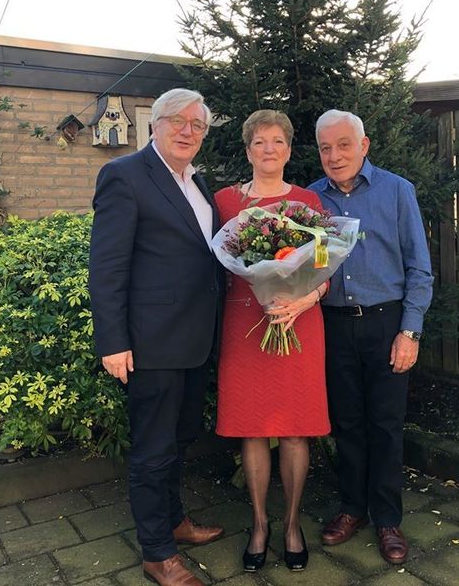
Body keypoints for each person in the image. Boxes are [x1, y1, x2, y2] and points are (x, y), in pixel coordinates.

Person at [89, 88, 225, 586]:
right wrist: (112, 341)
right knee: (152, 450)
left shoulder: (197, 182)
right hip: (151, 343)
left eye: (198, 125)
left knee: (180, 439)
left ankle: (173, 521)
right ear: (155, 124)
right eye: (178, 121)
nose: (189, 131)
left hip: (195, 340)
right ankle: (157, 554)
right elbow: (107, 267)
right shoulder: (124, 175)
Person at [309, 109, 433, 565]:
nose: (335, 156)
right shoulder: (311, 200)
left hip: (386, 322)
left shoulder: (397, 191)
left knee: (385, 425)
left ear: (364, 145)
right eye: (326, 148)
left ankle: (387, 519)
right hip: (333, 325)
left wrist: (409, 331)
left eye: (344, 145)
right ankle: (352, 508)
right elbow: (310, 264)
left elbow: (419, 268)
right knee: (346, 423)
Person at [215, 110, 330, 573]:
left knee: (296, 427)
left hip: (299, 323)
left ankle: (292, 523)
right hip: (244, 324)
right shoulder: (225, 201)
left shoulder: (307, 202)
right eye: (260, 141)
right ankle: (260, 523)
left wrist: (304, 300)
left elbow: (323, 264)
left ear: (288, 149)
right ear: (248, 150)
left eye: (277, 140)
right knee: (253, 427)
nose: (269, 149)